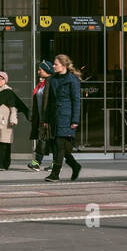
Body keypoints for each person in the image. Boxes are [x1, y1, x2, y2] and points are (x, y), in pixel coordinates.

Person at [0, 70, 31, 172]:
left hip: (4, 123)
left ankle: (2, 165)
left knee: (3, 145)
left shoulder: (8, 93)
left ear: (5, 80)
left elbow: (13, 108)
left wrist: (13, 119)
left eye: (1, 79)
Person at [45, 53, 82, 182]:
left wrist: (75, 120)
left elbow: (76, 101)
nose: (53, 66)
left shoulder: (72, 80)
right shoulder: (53, 79)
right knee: (60, 147)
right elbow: (49, 101)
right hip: (55, 117)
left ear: (64, 65)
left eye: (56, 64)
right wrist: (46, 119)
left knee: (59, 145)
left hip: (67, 117)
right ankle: (75, 166)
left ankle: (55, 174)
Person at [27, 60, 53, 170]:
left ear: (47, 71)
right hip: (42, 117)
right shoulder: (42, 83)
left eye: (40, 70)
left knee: (49, 139)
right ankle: (39, 162)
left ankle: (38, 162)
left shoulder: (52, 82)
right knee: (43, 138)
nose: (38, 72)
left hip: (50, 117)